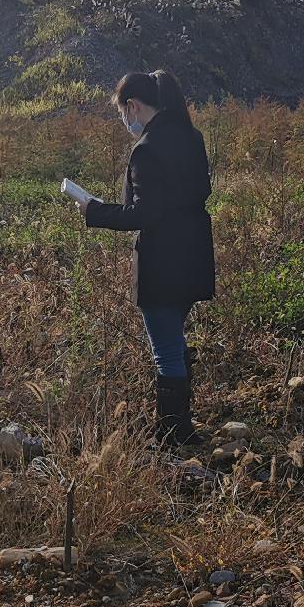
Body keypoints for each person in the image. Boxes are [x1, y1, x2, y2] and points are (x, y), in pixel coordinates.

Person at [79, 69, 215, 446]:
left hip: (162, 261)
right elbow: (198, 192)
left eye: (123, 111)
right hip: (194, 256)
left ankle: (175, 432)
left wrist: (93, 210)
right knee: (174, 339)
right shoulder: (193, 137)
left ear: (133, 106)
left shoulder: (147, 149)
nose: (125, 119)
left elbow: (144, 213)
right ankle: (179, 424)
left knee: (166, 350)